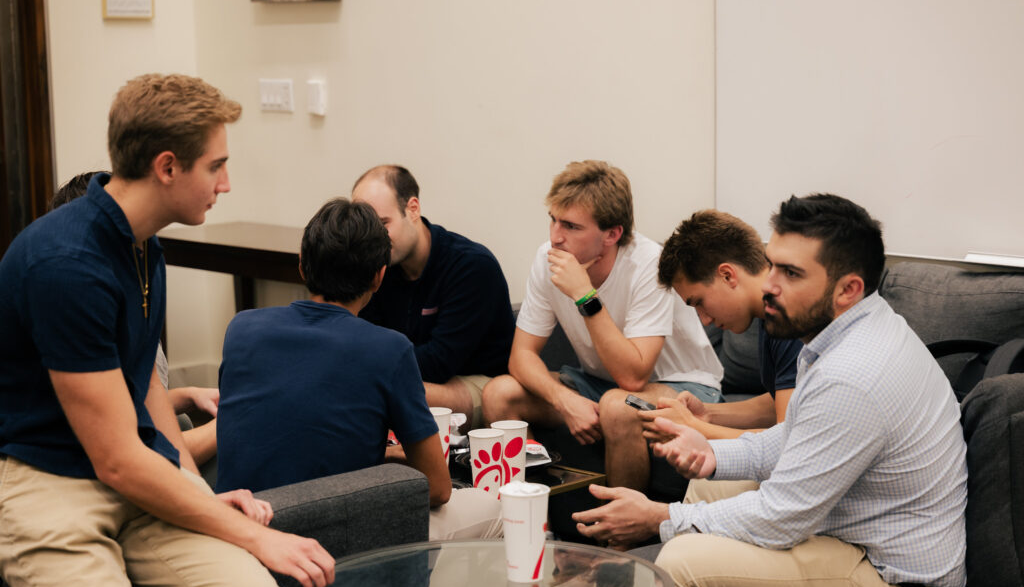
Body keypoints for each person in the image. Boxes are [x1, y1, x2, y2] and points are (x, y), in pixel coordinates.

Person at [0, 74, 334, 587]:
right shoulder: (65, 265)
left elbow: (147, 398)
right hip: (47, 488)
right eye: (215, 166)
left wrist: (193, 487)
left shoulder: (144, 243)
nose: (226, 184)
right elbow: (119, 462)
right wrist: (252, 537)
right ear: (167, 167)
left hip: (131, 477)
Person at [575, 194, 967, 587]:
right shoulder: (838, 336)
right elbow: (794, 437)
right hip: (851, 531)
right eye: (773, 265)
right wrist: (712, 454)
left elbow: (781, 516)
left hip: (890, 576)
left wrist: (659, 518)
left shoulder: (852, 375)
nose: (768, 285)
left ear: (848, 289)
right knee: (708, 484)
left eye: (792, 274)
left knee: (680, 564)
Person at [215, 197, 502, 541]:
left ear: (303, 265)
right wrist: (393, 461)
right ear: (380, 276)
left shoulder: (241, 328)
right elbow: (438, 488)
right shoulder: (390, 349)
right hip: (332, 533)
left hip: (240, 527)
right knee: (497, 508)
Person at [481, 160, 723, 448]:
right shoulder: (549, 258)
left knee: (618, 406)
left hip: (685, 387)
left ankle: (621, 496)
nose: (555, 237)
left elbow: (632, 378)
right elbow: (521, 357)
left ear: (612, 234)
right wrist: (565, 400)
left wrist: (585, 294)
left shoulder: (649, 264)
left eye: (571, 226)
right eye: (553, 219)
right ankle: (529, 491)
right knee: (499, 393)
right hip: (601, 384)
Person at [602, 209, 802, 493]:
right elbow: (785, 401)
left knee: (702, 486)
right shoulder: (770, 315)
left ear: (727, 275)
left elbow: (786, 444)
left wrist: (695, 429)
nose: (705, 320)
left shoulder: (790, 317)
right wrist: (707, 414)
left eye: (699, 302)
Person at [50, 170, 219, 467]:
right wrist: (230, 426)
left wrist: (188, 395)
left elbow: (133, 402)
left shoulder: (137, 285)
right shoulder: (79, 317)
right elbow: (139, 455)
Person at [352, 165, 515, 429]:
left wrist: (370, 364)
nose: (374, 240)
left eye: (383, 224)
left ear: (412, 209)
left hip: (481, 382)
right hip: (404, 374)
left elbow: (439, 362)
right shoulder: (380, 264)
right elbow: (363, 338)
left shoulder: (471, 266)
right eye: (366, 229)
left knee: (382, 390)